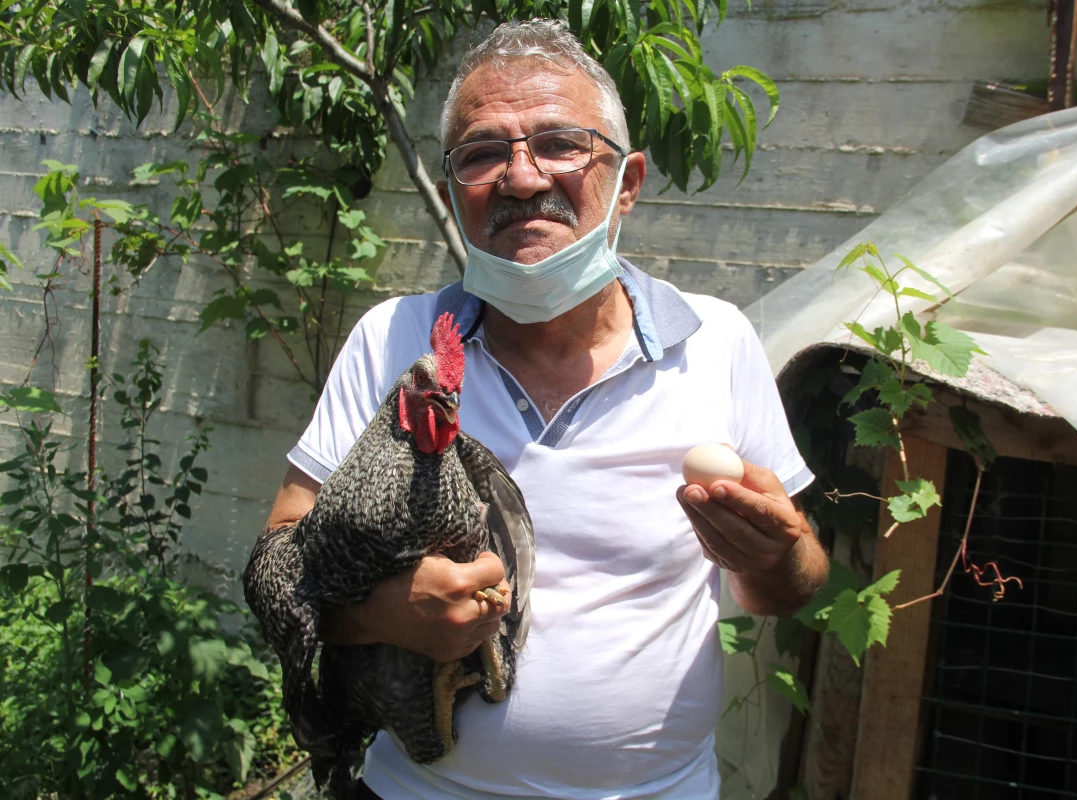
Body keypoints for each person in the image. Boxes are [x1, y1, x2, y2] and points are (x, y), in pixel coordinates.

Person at [262, 19, 828, 800]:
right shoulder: (394, 339)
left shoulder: (718, 343)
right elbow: (278, 557)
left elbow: (794, 586)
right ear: (451, 187)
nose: (522, 178)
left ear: (626, 181)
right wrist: (381, 614)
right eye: (484, 153)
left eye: (560, 144)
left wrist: (775, 558)